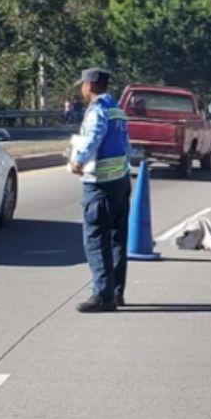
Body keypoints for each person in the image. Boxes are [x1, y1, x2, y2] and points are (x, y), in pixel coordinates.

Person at [69, 67, 132, 313]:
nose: (82, 89)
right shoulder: (118, 110)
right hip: (120, 181)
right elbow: (126, 145)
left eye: (83, 85)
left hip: (99, 184)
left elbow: (94, 135)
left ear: (90, 85)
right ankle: (116, 292)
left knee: (96, 238)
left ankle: (103, 295)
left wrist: (78, 160)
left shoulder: (98, 110)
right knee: (117, 238)